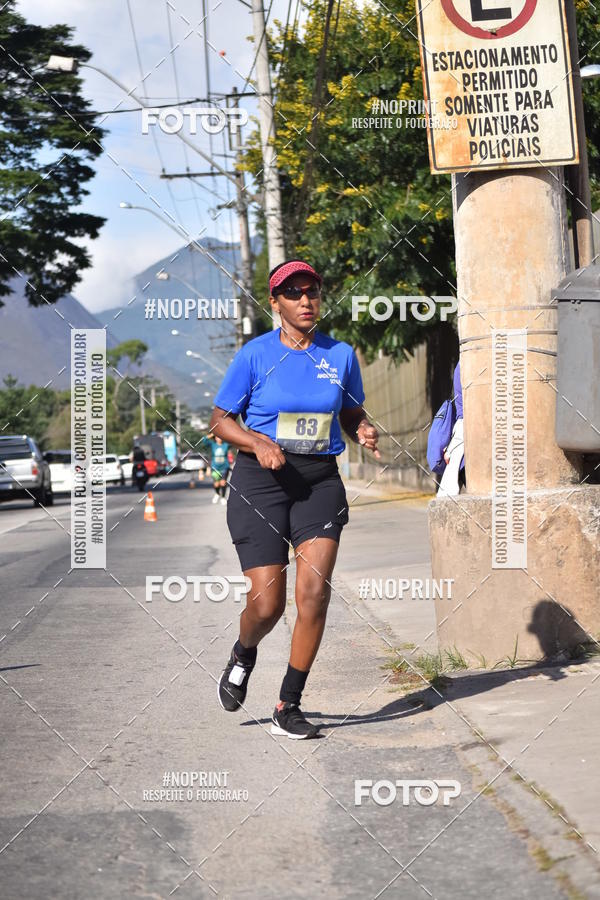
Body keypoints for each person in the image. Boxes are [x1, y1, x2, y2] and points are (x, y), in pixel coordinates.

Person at [209, 259, 380, 738]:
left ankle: (289, 703)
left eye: (312, 291)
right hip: (260, 482)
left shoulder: (340, 355)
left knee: (314, 594)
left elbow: (350, 412)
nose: (306, 300)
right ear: (276, 302)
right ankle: (243, 652)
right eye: (294, 293)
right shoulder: (255, 355)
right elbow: (219, 421)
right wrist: (257, 442)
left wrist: (362, 428)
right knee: (268, 606)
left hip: (319, 481)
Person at [199, 434, 231, 505]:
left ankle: (223, 497)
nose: (219, 438)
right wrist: (212, 434)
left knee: (223, 482)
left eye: (220, 437)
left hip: (224, 467)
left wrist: (224, 434)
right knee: (216, 484)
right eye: (217, 437)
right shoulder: (212, 444)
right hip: (215, 467)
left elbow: (232, 440)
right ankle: (217, 494)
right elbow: (203, 440)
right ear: (215, 438)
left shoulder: (226, 445)